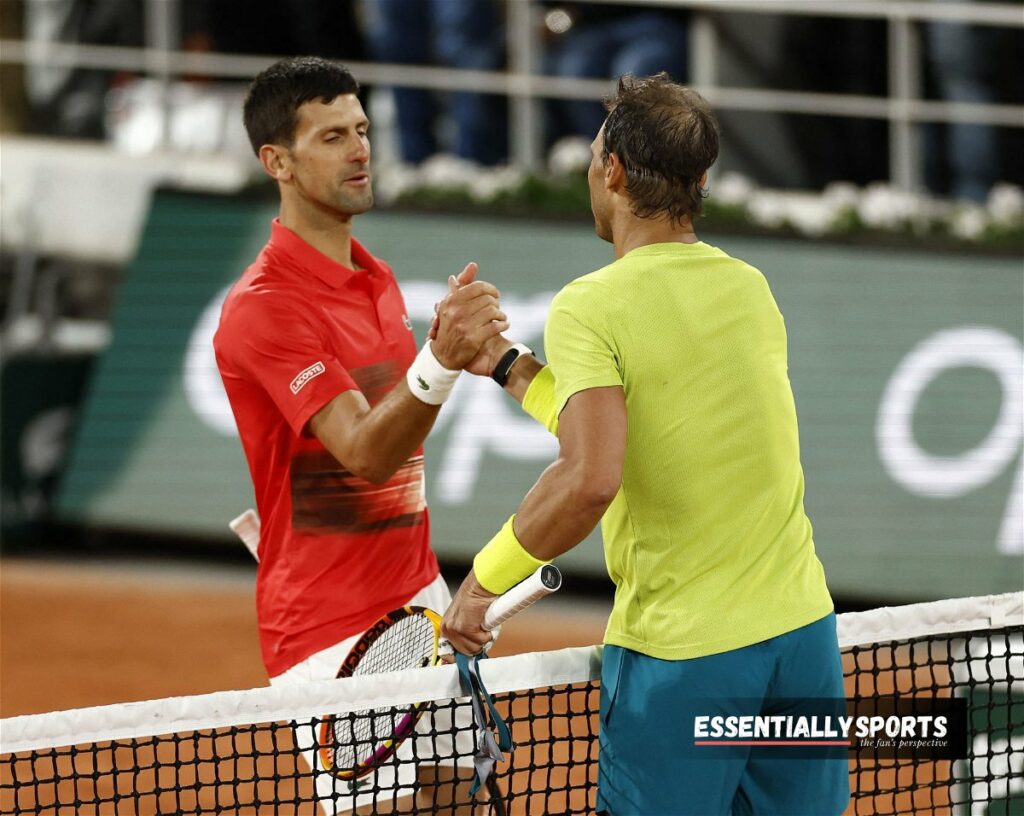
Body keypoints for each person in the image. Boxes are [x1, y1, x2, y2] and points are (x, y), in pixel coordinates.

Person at [441, 74, 850, 815]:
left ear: (615, 172)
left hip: (685, 659)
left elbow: (592, 475)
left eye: (597, 155)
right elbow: (639, 427)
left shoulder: (593, 304)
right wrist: (506, 365)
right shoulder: (749, 288)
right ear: (697, 180)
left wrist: (483, 584)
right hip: (801, 642)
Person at [213, 56, 505, 814]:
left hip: (419, 603)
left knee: (461, 803)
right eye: (334, 136)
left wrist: (462, 362)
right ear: (276, 161)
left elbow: (395, 437)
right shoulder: (265, 307)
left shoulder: (375, 279)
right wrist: (439, 361)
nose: (361, 150)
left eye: (364, 130)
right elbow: (368, 453)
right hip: (330, 635)